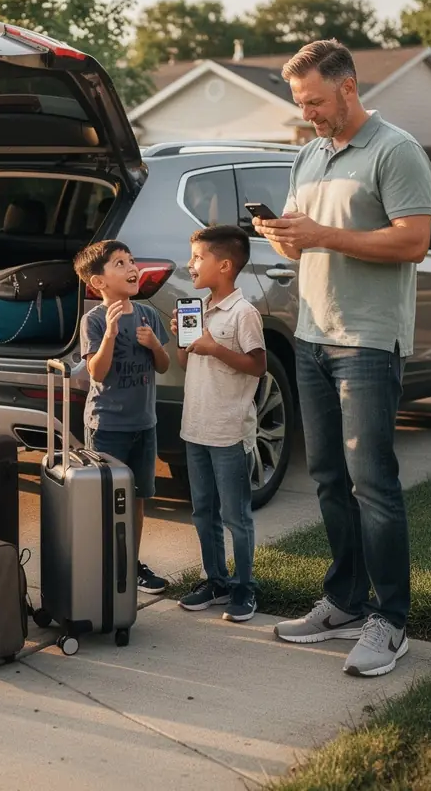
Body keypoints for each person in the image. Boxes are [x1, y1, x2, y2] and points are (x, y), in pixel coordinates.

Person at [254, 39, 431, 678]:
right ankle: (345, 602)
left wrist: (324, 235)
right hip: (311, 334)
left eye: (316, 101)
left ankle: (392, 620)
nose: (308, 114)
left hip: (367, 340)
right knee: (328, 477)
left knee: (372, 484)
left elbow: (412, 242)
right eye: (300, 103)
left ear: (349, 87)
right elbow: (310, 247)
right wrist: (288, 237)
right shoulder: (308, 154)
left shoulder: (397, 150)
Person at [171, 225, 265, 623]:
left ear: (224, 265)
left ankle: (245, 586)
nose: (190, 264)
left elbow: (258, 366)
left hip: (227, 431)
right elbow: (185, 363)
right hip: (195, 427)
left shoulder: (244, 313)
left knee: (235, 515)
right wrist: (185, 343)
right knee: (202, 511)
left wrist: (215, 348)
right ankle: (216, 580)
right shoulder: (201, 308)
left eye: (197, 258)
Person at [74, 240, 171, 593]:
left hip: (144, 424)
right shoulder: (95, 321)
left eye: (131, 261)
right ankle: (103, 564)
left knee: (138, 497)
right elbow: (97, 373)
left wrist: (155, 345)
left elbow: (163, 365)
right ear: (98, 281)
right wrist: (111, 336)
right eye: (119, 263)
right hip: (107, 427)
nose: (131, 268)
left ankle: (130, 563)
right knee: (106, 500)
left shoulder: (147, 315)